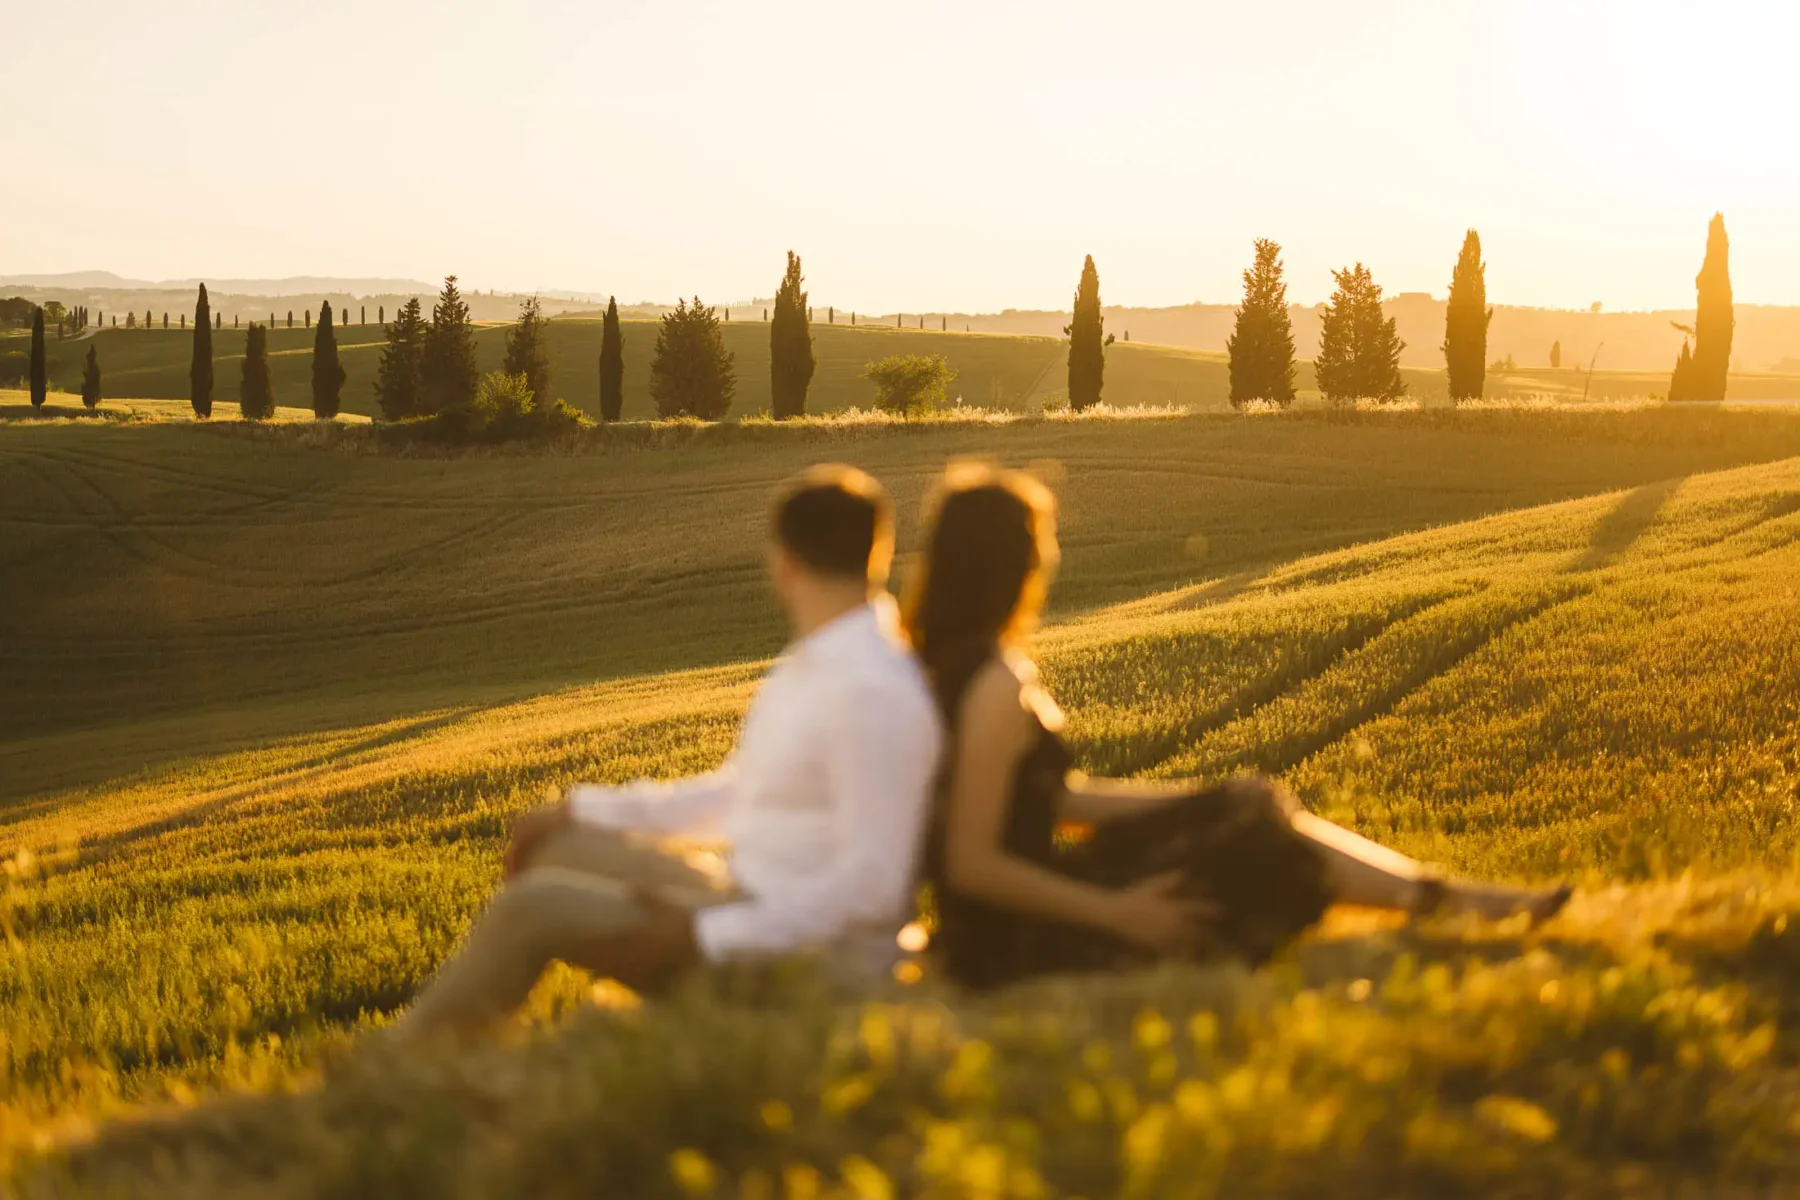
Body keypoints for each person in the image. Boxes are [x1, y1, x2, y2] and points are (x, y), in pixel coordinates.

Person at [906, 463, 1571, 990]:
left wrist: (1196, 798)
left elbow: (1052, 798)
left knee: (1246, 803)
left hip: (1018, 912)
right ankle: (1460, 901)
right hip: (1017, 939)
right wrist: (1122, 915)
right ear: (1014, 565)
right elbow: (971, 864)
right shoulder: (992, 683)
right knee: (1256, 835)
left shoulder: (947, 668)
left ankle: (1456, 898)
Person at [397, 465, 942, 1037]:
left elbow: (873, 889)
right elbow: (738, 795)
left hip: (816, 960)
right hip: (750, 898)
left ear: (784, 564)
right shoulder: (817, 666)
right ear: (878, 558)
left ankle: (389, 1072)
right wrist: (578, 809)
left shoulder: (872, 690)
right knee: (558, 847)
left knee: (527, 909)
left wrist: (702, 933)